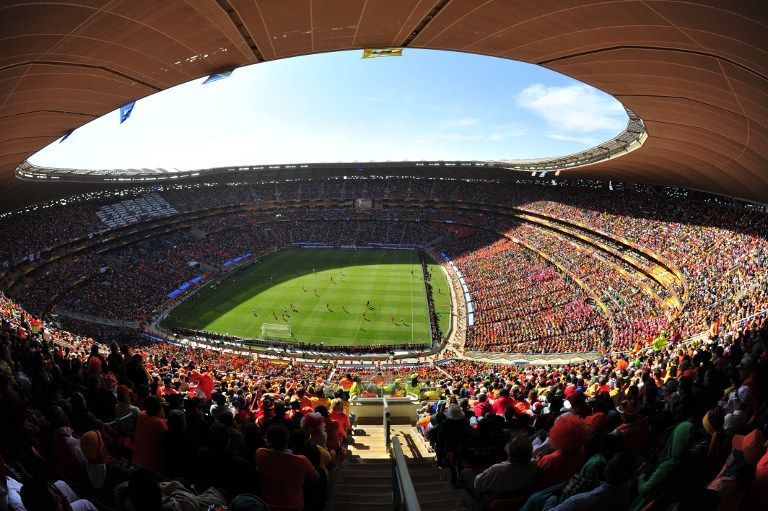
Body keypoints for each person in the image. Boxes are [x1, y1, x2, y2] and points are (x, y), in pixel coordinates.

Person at [255, 425, 319, 511]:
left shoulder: (260, 454)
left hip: (266, 505)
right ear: (287, 440)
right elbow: (315, 477)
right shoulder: (301, 460)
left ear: (268, 440)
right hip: (294, 506)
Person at [470, 433, 538, 505]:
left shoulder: (498, 469)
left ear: (509, 449)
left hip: (494, 501)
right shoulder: (534, 464)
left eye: (508, 443)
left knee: (466, 472)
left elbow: (477, 484)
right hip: (520, 499)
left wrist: (485, 473)